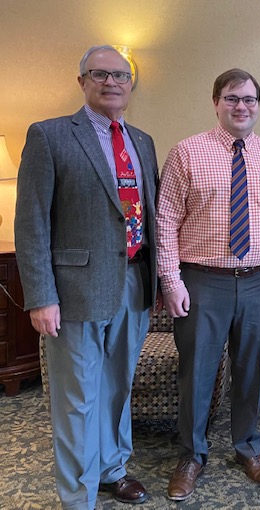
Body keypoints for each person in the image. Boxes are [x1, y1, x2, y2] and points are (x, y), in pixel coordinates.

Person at [15, 45, 159, 510]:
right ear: (82, 82)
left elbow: (149, 216)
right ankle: (78, 496)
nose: (112, 82)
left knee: (118, 387)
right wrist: (40, 296)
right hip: (74, 290)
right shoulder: (49, 135)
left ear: (130, 85)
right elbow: (31, 221)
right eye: (100, 73)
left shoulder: (142, 140)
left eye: (121, 75)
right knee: (77, 395)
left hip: (135, 283)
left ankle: (113, 468)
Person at [156, 68, 260, 501]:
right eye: (233, 98)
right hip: (202, 281)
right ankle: (192, 454)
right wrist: (171, 280)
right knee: (196, 373)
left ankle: (248, 447)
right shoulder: (186, 153)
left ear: (258, 106)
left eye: (250, 100)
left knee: (252, 371)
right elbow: (165, 222)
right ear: (216, 102)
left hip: (259, 281)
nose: (242, 107)